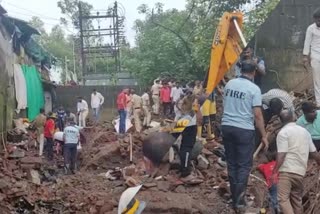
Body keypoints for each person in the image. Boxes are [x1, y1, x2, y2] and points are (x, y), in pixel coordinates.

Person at [221, 60, 268, 213]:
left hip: (227, 127)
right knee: (243, 166)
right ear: (254, 72)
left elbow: (225, 104)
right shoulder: (254, 89)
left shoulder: (229, 84)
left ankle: (235, 197)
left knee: (232, 163)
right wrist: (264, 135)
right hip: (244, 130)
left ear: (241, 70)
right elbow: (257, 114)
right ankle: (239, 203)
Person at [273, 109, 320, 214]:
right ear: (293, 118)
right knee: (296, 200)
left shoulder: (283, 133)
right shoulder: (305, 132)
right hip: (300, 172)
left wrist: (275, 171)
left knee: (283, 199)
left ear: (281, 121)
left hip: (286, 171)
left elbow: (282, 154)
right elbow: (314, 152)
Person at [303, 8, 320, 106]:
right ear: (314, 19)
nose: (318, 21)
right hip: (315, 56)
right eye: (317, 19)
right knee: (317, 81)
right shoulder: (311, 28)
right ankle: (319, 103)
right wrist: (305, 56)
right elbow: (307, 42)